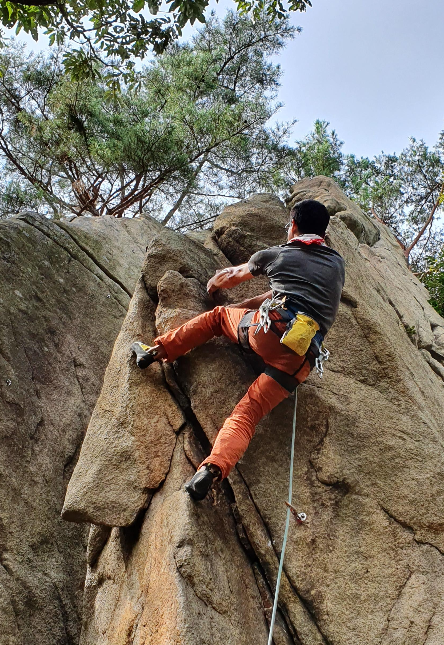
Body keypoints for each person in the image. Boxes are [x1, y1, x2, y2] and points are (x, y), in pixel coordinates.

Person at [131, 199, 345, 500]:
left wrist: (213, 284)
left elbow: (230, 277)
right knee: (248, 413)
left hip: (268, 331)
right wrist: (242, 307)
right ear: (323, 232)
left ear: (294, 225)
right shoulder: (337, 265)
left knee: (218, 318)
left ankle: (155, 351)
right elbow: (282, 293)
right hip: (302, 356)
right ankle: (212, 469)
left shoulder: (278, 255)